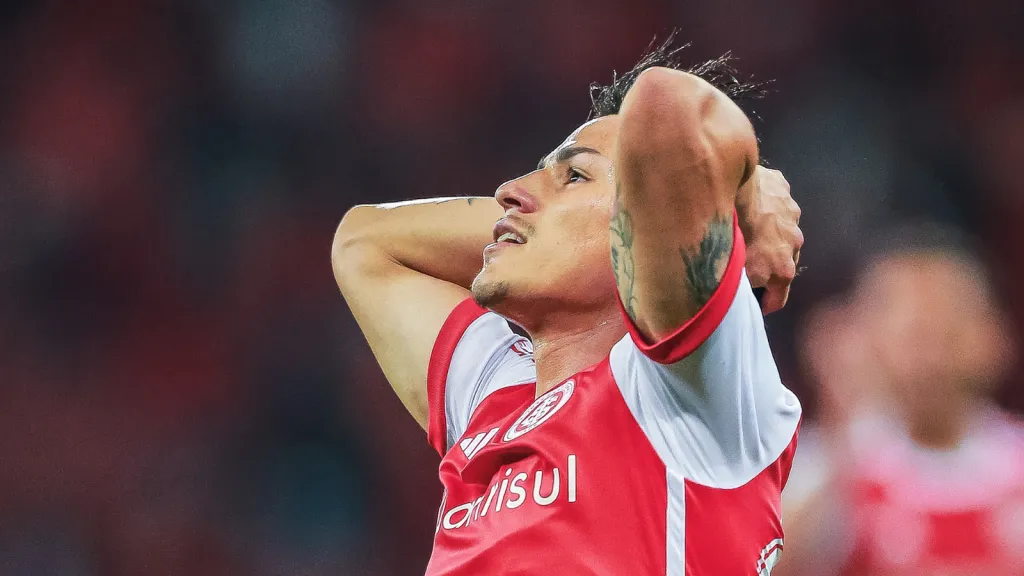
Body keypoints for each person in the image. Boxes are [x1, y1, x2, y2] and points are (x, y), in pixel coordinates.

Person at [332, 37, 804, 575]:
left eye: (574, 176)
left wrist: (738, 198)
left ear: (644, 225)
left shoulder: (688, 385)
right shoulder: (498, 392)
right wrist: (524, 227)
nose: (508, 190)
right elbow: (364, 242)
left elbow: (669, 105)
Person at [779, 223, 1024, 576]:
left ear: (994, 336)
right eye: (915, 335)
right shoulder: (820, 467)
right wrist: (844, 443)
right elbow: (759, 565)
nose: (932, 358)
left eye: (949, 332)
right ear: (861, 337)